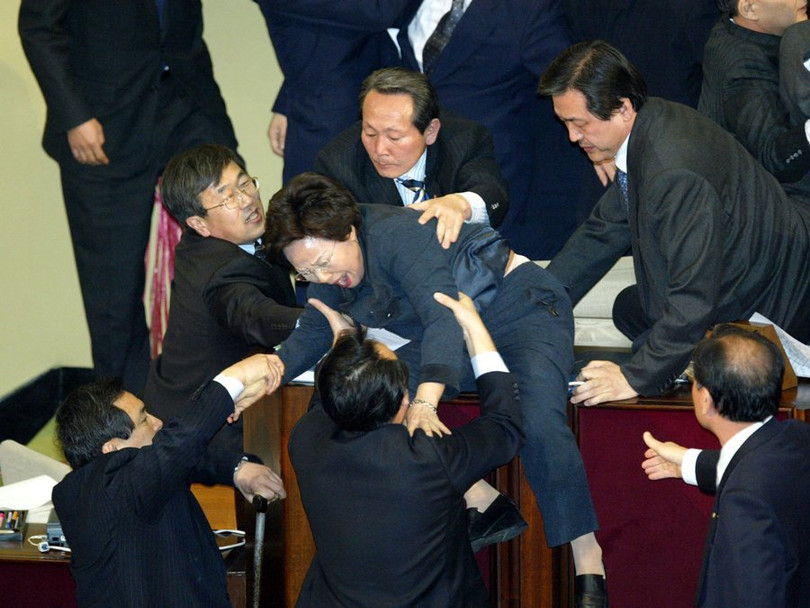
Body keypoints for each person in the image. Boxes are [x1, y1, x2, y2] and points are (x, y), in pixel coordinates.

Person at [263, 173, 608, 607]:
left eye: (324, 264)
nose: (322, 276)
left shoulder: (395, 234)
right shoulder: (325, 266)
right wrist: (266, 373)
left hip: (518, 307)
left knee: (537, 419)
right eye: (306, 272)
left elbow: (443, 318)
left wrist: (425, 402)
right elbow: (311, 333)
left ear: (347, 231)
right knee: (371, 395)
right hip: (452, 327)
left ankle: (587, 557)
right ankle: (480, 496)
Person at [539, 40, 810, 406]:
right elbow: (601, 233)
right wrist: (533, 303)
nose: (573, 137)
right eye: (566, 124)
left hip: (776, 304)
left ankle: (677, 365)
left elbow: (694, 296)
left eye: (579, 124)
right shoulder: (651, 123)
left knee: (655, 331)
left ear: (622, 108)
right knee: (631, 307)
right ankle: (677, 359)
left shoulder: (673, 170)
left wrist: (633, 377)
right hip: (741, 275)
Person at [18, 1, 240, 395]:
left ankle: (226, 392)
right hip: (101, 123)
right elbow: (38, 27)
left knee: (234, 242)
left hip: (187, 102)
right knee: (113, 291)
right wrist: (73, 115)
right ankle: (127, 415)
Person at [291, 292, 523, 607]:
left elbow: (328, 396)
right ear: (405, 399)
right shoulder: (428, 456)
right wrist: (473, 326)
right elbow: (505, 425)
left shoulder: (307, 439)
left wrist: (344, 340)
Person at [52, 353, 286, 608]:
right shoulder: (116, 487)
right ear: (112, 448)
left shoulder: (101, 485)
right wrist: (235, 377)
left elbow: (187, 460)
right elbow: (178, 444)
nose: (158, 422)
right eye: (144, 420)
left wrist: (236, 469)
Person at [143, 144, 301, 485]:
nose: (246, 200)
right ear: (198, 223)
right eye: (227, 198)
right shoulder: (221, 270)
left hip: (184, 398)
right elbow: (255, 316)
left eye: (244, 184)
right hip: (209, 431)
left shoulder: (210, 242)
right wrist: (319, 322)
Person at [396, 0, 590, 259]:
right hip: (424, 169)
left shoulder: (527, 10)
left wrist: (599, 138)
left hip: (499, 173)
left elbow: (573, 80)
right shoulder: (400, 7)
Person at [640, 326, 810, 607]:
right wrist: (688, 462)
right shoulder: (797, 436)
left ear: (706, 400)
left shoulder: (744, 502)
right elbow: (758, 468)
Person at [314, 67, 509, 249]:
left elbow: (492, 193)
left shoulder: (464, 140)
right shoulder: (337, 164)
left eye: (394, 137)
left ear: (430, 132)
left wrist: (460, 204)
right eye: (370, 133)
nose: (380, 149)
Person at [253, 0, 415, 182]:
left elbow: (320, 44)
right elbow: (378, 11)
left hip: (366, 106)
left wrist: (286, 99)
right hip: (332, 126)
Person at [698, 1, 810, 203]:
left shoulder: (748, 29)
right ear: (749, 9)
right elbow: (774, 157)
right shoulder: (742, 68)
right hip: (786, 201)